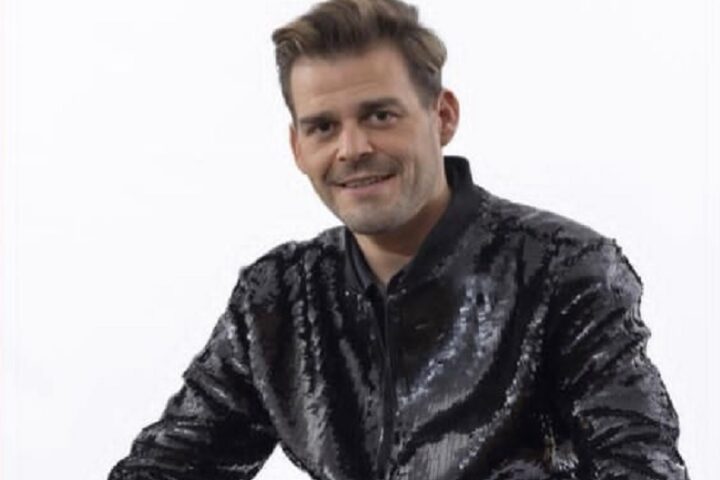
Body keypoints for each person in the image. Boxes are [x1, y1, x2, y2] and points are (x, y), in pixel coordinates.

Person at [108, 0, 690, 479]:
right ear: (297, 147)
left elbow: (641, 465)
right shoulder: (277, 300)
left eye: (380, 116)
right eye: (323, 126)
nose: (352, 148)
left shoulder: (562, 270)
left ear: (443, 116)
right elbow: (167, 467)